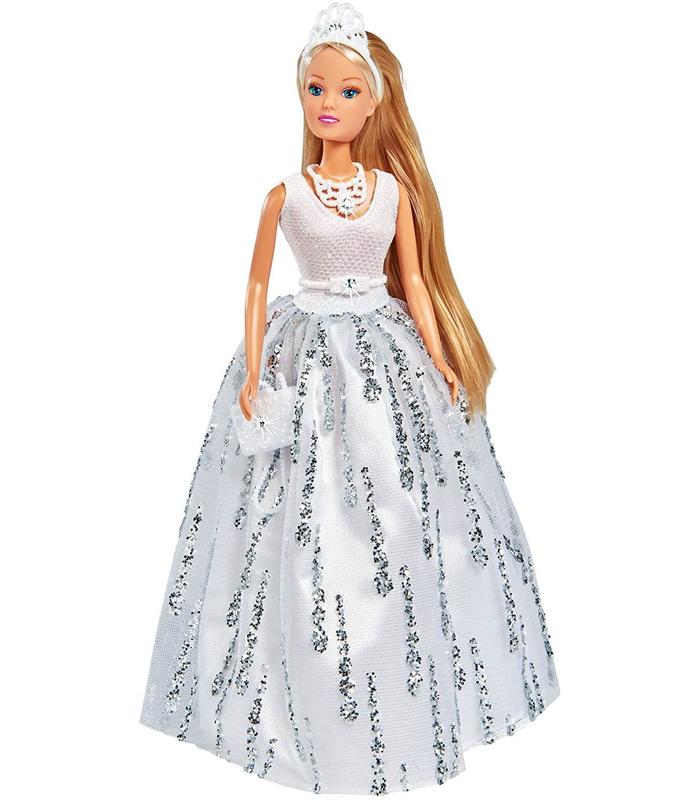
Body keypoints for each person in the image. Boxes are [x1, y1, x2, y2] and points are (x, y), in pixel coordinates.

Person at [139, 2, 560, 794]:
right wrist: (256, 372)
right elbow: (256, 286)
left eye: (346, 91)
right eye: (315, 89)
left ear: (375, 105)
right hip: (304, 355)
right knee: (295, 512)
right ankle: (299, 693)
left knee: (402, 503)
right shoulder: (284, 194)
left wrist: (443, 359)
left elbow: (418, 287)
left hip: (384, 354)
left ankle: (403, 670)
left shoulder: (393, 192)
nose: (327, 104)